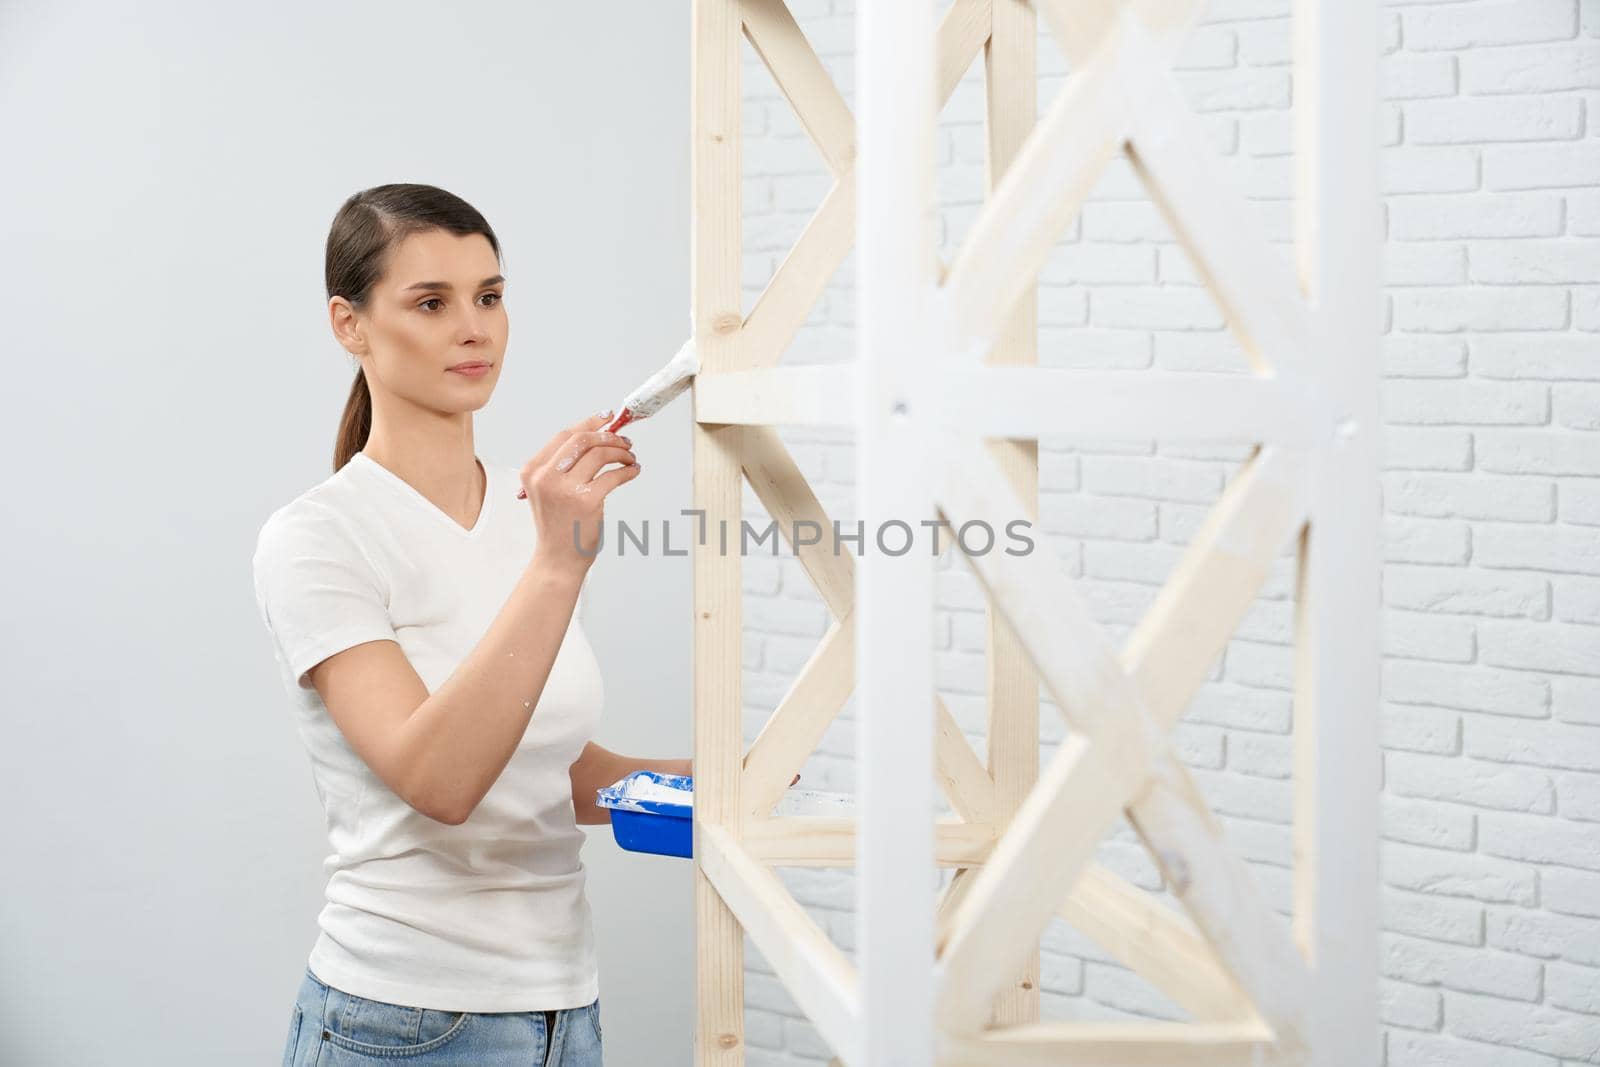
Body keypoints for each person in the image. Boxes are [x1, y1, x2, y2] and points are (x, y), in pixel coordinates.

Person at [253, 182, 662, 1066]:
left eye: (490, 295)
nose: (474, 328)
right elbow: (439, 778)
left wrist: (752, 787)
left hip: (565, 1014)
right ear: (348, 323)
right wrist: (560, 561)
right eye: (431, 303)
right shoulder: (318, 539)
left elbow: (543, 762)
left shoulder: (529, 509)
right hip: (403, 1024)